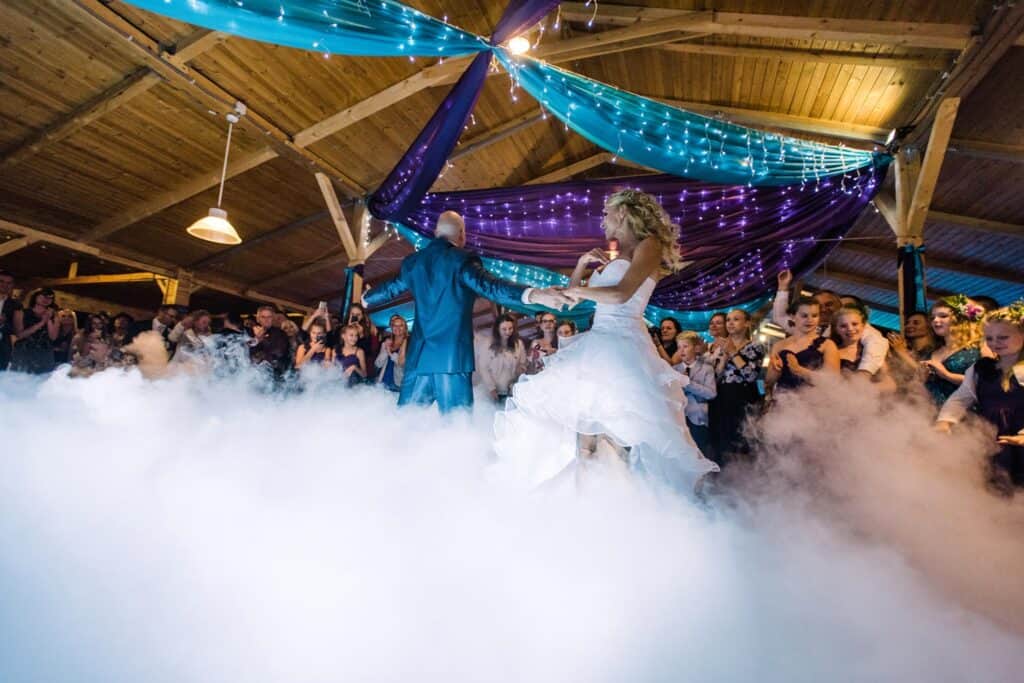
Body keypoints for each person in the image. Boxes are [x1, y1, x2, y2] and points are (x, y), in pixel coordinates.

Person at [494, 189, 718, 491]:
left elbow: (621, 294)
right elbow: (571, 302)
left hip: (624, 346)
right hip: (597, 345)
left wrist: (580, 291)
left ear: (623, 213)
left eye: (606, 214)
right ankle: (588, 509)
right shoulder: (612, 256)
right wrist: (581, 265)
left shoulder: (647, 245)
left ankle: (625, 509)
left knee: (619, 440)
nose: (603, 221)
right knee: (585, 443)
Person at [362, 210, 569, 413]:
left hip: (418, 359)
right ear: (462, 234)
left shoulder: (413, 263)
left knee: (407, 423)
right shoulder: (462, 259)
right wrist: (534, 294)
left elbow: (390, 288)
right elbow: (491, 287)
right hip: (452, 360)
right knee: (456, 428)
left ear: (436, 232)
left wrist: (366, 298)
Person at [936, 303, 1024, 492]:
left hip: (1020, 441)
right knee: (994, 489)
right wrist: (944, 421)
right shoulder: (981, 369)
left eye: (1003, 337)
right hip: (991, 441)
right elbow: (961, 398)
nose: (995, 343)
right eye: (989, 338)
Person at [773, 269, 887, 375]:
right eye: (819, 306)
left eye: (829, 304)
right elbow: (780, 318)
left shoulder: (853, 325)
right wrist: (783, 287)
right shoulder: (807, 326)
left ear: (839, 305)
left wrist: (864, 373)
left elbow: (876, 342)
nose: (823, 309)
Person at [708, 308, 766, 464]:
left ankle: (740, 482)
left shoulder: (755, 346)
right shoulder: (721, 347)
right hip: (721, 398)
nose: (730, 323)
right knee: (719, 443)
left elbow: (751, 375)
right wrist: (721, 360)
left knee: (740, 444)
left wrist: (733, 352)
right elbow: (715, 376)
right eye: (728, 320)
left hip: (743, 399)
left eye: (736, 319)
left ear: (747, 323)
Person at [767, 297, 840, 393]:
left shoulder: (828, 345)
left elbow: (833, 381)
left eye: (814, 316)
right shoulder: (779, 345)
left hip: (812, 402)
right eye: (804, 316)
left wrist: (799, 370)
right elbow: (769, 381)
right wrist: (775, 370)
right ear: (793, 316)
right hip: (782, 401)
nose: (810, 320)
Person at [923, 295, 983, 405]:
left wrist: (947, 375)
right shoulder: (931, 352)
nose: (935, 320)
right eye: (932, 318)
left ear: (960, 320)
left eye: (943, 316)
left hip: (966, 416)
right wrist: (920, 378)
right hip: (929, 415)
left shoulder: (978, 348)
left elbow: (986, 385)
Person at [672, 331, 717, 460]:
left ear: (696, 348)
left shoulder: (706, 369)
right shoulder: (674, 370)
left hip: (698, 418)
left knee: (698, 455)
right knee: (681, 455)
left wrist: (688, 383)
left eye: (685, 346)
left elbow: (711, 393)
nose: (682, 350)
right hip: (678, 419)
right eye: (679, 347)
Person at [476, 314, 528, 403]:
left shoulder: (518, 344)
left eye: (510, 328)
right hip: (491, 391)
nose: (508, 332)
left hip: (510, 390)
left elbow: (523, 363)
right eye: (504, 329)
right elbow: (483, 368)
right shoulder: (487, 344)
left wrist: (520, 371)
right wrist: (491, 388)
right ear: (497, 329)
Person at [11, 289, 59, 374]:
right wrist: (41, 323)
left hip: (44, 354)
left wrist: (48, 319)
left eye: (50, 298)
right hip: (24, 352)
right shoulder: (21, 312)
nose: (46, 299)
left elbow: (53, 337)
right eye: (43, 296)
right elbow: (19, 335)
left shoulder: (54, 315)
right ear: (35, 296)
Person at [248, 305, 291, 376]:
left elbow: (279, 352)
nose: (266, 319)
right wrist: (256, 338)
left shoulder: (280, 333)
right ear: (258, 319)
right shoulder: (250, 332)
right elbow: (245, 351)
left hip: (274, 374)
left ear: (273, 318)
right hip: (253, 374)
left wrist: (261, 339)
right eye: (263, 317)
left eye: (269, 317)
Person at [374, 315, 408, 391]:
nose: (398, 328)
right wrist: (386, 350)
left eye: (401, 325)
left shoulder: (408, 343)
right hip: (383, 381)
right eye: (395, 325)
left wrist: (390, 353)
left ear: (405, 327)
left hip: (398, 384)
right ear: (391, 327)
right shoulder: (386, 343)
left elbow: (402, 364)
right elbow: (377, 364)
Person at [0, 270, 21, 371]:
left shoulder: (16, 305)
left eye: (9, 283)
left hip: (3, 348)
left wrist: (3, 324)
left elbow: (17, 329)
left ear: (12, 285)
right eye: (1, 281)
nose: (5, 285)